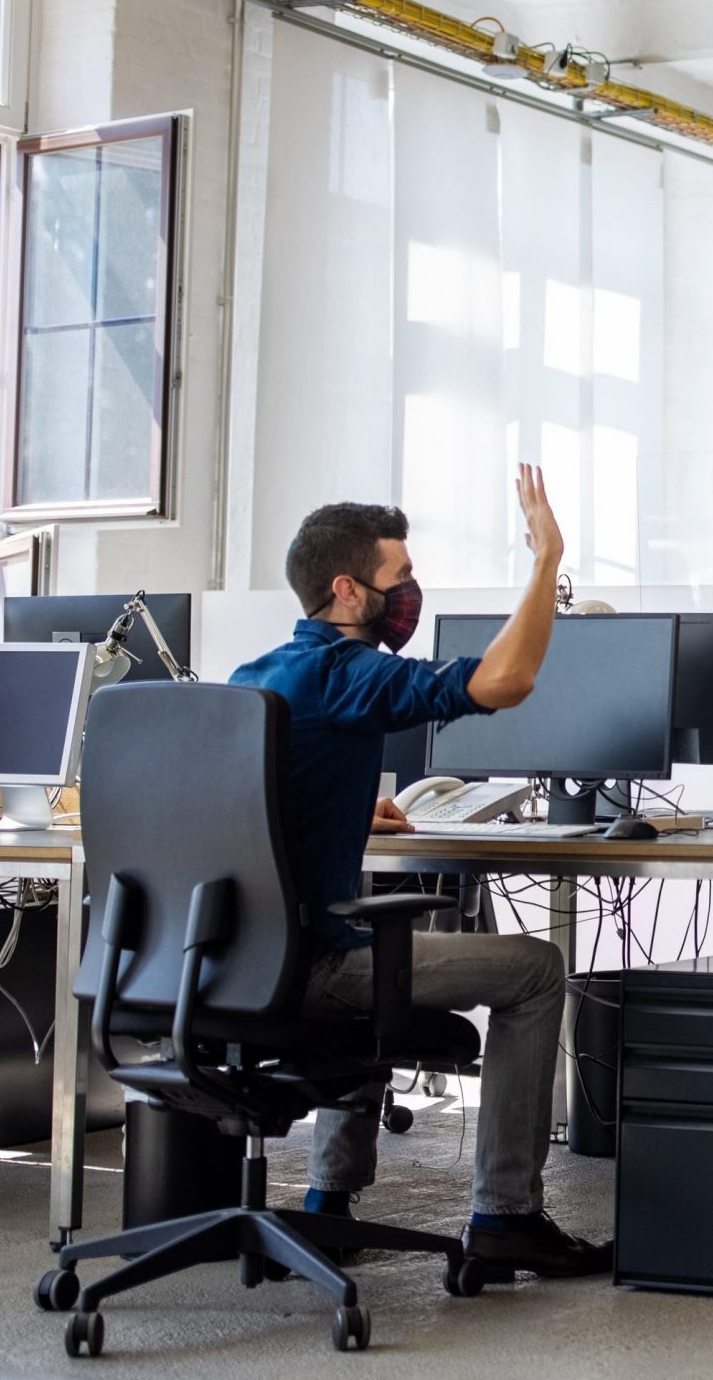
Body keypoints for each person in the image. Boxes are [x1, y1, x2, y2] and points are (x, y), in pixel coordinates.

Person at [229, 466, 610, 1278]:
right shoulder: (350, 672)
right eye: (399, 577)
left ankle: (330, 1205)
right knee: (537, 968)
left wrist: (339, 808)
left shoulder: (255, 676)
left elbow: (241, 807)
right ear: (348, 591)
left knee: (377, 934)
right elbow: (505, 681)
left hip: (228, 963)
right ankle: (507, 1216)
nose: (412, 593)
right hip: (315, 966)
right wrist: (546, 562)